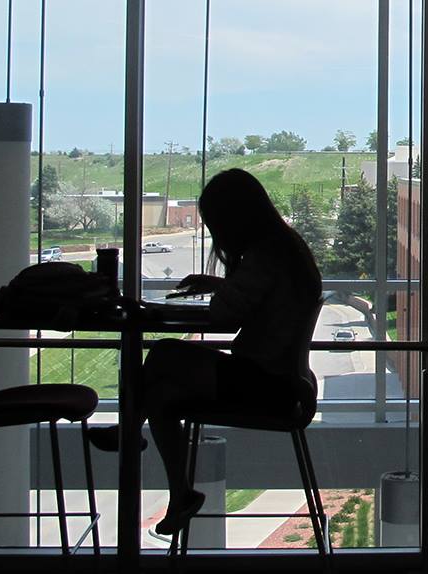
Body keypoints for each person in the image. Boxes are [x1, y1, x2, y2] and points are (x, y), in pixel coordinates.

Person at [90, 168, 323, 535]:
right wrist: (221, 283)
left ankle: (133, 435)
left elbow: (225, 317)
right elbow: (254, 300)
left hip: (264, 384)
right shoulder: (285, 249)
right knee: (161, 395)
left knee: (164, 355)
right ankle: (178, 491)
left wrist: (176, 306)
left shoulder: (263, 256)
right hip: (285, 384)